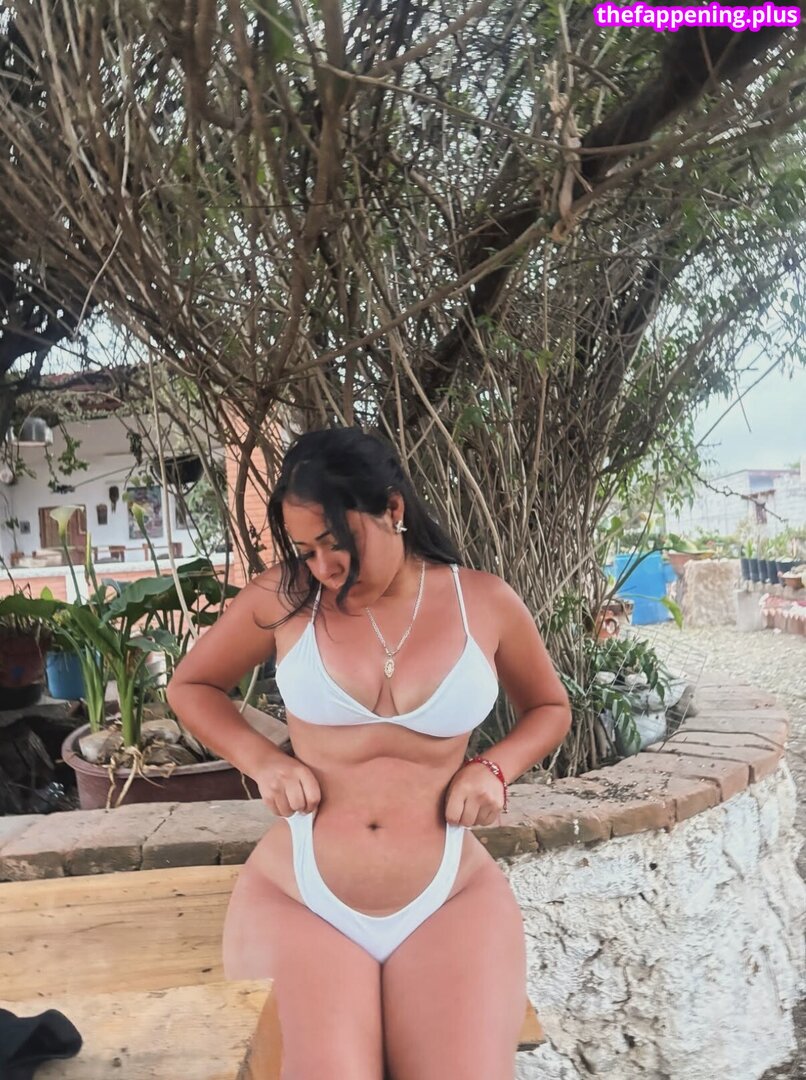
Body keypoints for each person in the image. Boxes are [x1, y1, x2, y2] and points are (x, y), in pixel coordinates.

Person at [166, 427, 571, 1080]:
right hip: (301, 899)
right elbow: (191, 687)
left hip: (448, 897)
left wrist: (495, 768)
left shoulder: (483, 600)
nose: (323, 567)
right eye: (305, 549)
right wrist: (264, 761)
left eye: (335, 542)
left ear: (392, 508)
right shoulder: (284, 598)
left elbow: (550, 708)